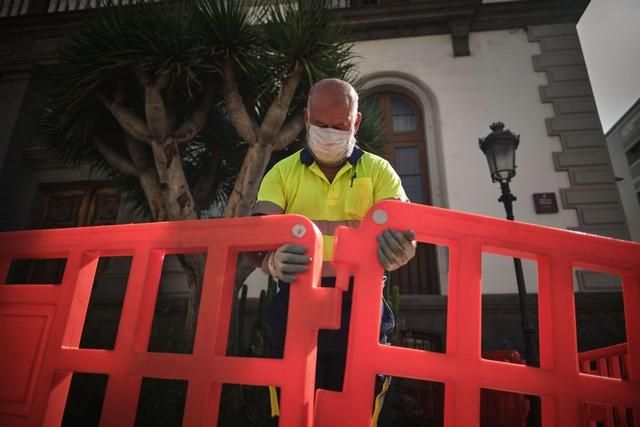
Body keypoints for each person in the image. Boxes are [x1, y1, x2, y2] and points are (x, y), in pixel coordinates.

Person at [254, 78, 416, 422]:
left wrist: (404, 248)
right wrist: (270, 260)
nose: (329, 133)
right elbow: (257, 234)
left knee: (357, 408)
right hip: (296, 303)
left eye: (339, 126)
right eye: (321, 124)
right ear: (307, 117)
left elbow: (404, 229)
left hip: (362, 305)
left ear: (356, 123)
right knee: (294, 410)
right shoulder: (281, 174)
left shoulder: (379, 171)